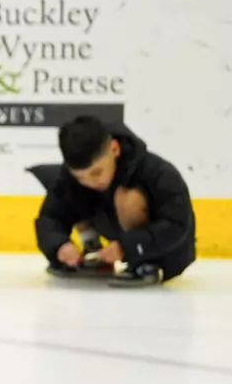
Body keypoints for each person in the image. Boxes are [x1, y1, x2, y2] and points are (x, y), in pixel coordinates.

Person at [33, 116, 197, 287]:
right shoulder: (73, 178)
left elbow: (176, 224)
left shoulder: (157, 172)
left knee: (128, 198)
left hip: (167, 249)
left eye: (97, 172)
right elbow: (50, 217)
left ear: (114, 148)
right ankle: (93, 249)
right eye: (81, 177)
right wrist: (59, 246)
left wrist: (128, 247)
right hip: (115, 229)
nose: (91, 181)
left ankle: (146, 263)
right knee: (73, 192)